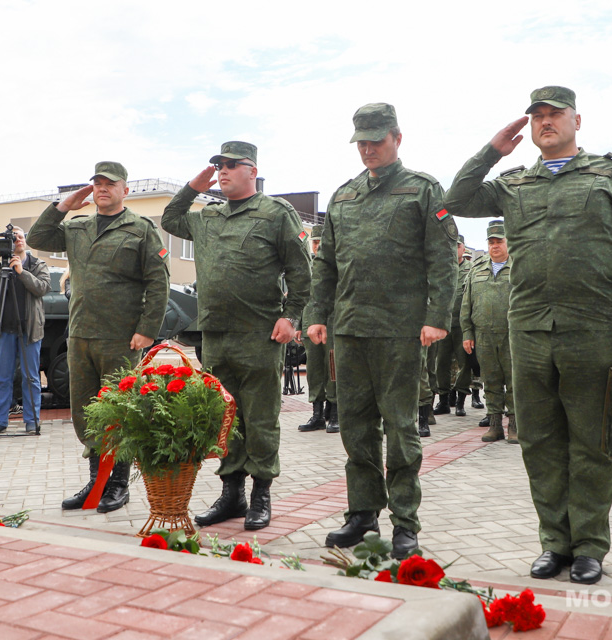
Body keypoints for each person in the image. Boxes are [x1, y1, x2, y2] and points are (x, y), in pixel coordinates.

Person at [443, 86, 612, 584]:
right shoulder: (514, 182)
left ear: (576, 121)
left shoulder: (609, 176)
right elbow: (456, 199)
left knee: (592, 439)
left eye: (555, 114)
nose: (545, 122)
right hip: (529, 328)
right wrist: (492, 151)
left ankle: (589, 546)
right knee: (539, 440)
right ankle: (555, 543)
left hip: (592, 326)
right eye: (537, 115)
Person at [309, 103, 457, 559]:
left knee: (400, 426)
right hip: (351, 329)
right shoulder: (344, 196)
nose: (367, 149)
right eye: (361, 142)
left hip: (400, 330)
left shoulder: (422, 190)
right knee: (355, 427)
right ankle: (362, 514)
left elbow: (443, 258)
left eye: (376, 140)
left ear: (397, 137)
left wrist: (437, 317)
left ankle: (405, 523)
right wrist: (317, 313)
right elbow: (326, 262)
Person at [162, 141, 311, 531]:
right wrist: (193, 187)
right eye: (219, 166)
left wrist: (290, 316)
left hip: (260, 333)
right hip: (215, 333)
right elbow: (170, 219)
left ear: (252, 171)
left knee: (260, 418)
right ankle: (232, 493)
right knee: (224, 417)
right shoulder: (208, 216)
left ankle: (261, 493)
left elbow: (301, 270)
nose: (223, 171)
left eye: (231, 165)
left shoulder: (275, 213)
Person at [28, 161, 170, 513]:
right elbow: (37, 238)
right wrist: (63, 206)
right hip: (81, 334)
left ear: (125, 190)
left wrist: (147, 329)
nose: (102, 188)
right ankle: (97, 481)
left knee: (118, 410)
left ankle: (118, 484)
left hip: (120, 337)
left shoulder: (141, 229)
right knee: (86, 411)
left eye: (110, 183)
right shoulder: (77, 227)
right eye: (97, 183)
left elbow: (158, 282)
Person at [0, 227, 50, 434]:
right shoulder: (1, 264)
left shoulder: (37, 264)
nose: (18, 240)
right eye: (14, 238)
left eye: (20, 237)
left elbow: (42, 287)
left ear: (25, 241)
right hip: (4, 327)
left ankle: (32, 420)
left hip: (30, 328)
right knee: (2, 377)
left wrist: (21, 272)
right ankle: (0, 420)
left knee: (31, 378)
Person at [461, 220, 514, 443]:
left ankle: (515, 425)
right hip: (483, 335)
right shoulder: (477, 269)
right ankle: (495, 425)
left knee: (514, 381)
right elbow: (467, 303)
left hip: (512, 335)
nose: (495, 246)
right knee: (490, 381)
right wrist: (467, 333)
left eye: (499, 241)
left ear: (508, 242)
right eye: (491, 242)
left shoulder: (519, 267)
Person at [299, 224, 338, 434]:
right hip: (309, 324)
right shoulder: (307, 266)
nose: (317, 246)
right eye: (314, 243)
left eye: (320, 242)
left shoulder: (336, 266)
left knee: (332, 368)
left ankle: (335, 413)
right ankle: (317, 415)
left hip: (331, 323)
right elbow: (301, 296)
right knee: (314, 369)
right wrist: (298, 325)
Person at [433, 235, 474, 417]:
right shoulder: (441, 269)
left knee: (465, 363)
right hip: (443, 325)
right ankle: (443, 400)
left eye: (457, 246)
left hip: (462, 325)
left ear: (463, 248)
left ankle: (460, 401)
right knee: (441, 363)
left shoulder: (471, 269)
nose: (454, 248)